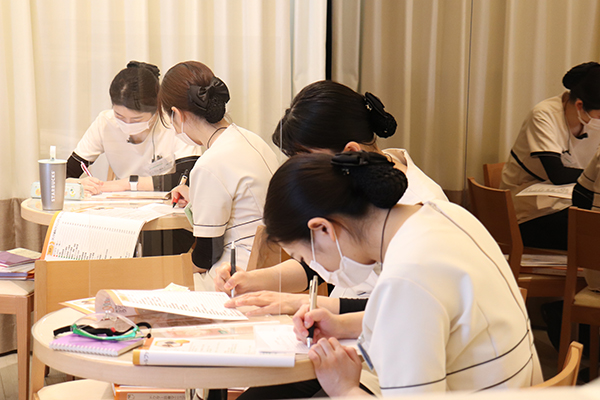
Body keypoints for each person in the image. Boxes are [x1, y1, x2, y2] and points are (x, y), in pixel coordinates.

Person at [264, 151, 542, 397]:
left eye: (305, 258)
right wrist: (342, 325)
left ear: (323, 229)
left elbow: (412, 302)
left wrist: (344, 389)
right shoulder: (445, 214)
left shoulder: (408, 276)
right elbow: (431, 316)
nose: (314, 267)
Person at [215, 80, 447, 311]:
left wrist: (309, 304)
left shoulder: (422, 210)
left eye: (309, 161)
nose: (306, 173)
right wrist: (251, 280)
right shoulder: (361, 177)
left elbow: (405, 307)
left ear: (350, 152)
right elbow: (319, 263)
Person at [159, 61, 279, 290]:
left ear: (177, 114)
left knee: (161, 283)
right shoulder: (252, 139)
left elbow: (206, 256)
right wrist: (196, 197)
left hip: (235, 276)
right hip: (274, 267)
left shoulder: (209, 164)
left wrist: (174, 268)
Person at [501, 61, 600, 250]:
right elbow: (558, 175)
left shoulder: (591, 118)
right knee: (590, 232)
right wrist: (594, 176)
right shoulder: (544, 115)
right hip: (530, 211)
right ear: (580, 105)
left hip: (568, 201)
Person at [67, 61, 202, 194]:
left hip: (165, 201)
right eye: (119, 116)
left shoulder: (174, 123)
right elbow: (66, 172)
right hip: (121, 202)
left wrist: (127, 184)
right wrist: (78, 183)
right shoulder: (105, 123)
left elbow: (188, 178)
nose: (127, 124)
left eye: (136, 119)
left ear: (156, 110)